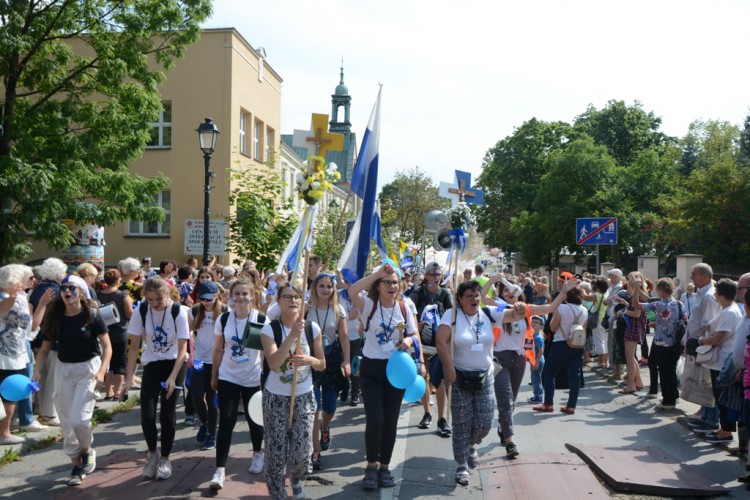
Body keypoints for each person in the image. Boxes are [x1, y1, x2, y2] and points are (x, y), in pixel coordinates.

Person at [481, 273, 577, 455]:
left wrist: (563, 292)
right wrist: (493, 281)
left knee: (512, 400)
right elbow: (483, 298)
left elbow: (550, 307)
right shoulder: (498, 306)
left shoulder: (527, 309)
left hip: (518, 359)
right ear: (502, 293)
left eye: (512, 290)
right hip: (499, 359)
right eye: (505, 290)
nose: (509, 293)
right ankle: (510, 441)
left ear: (519, 292)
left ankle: (503, 427)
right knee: (505, 398)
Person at [348, 262, 422, 491]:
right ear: (378, 286)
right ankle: (370, 465)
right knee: (376, 419)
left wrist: (407, 342)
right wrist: (379, 272)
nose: (391, 286)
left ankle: (384, 466)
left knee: (390, 421)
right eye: (387, 282)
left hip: (397, 369)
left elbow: (415, 334)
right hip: (371, 370)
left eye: (395, 282)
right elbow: (352, 291)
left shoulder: (404, 307)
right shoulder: (368, 304)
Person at [33, 276, 112, 485]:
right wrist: (36, 372)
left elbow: (108, 347)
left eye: (72, 288)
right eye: (64, 288)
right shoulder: (56, 316)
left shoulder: (92, 315)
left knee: (79, 419)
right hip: (64, 369)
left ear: (82, 292)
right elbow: (44, 349)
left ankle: (87, 450)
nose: (67, 291)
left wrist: (102, 372)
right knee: (67, 420)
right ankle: (76, 466)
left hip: (88, 368)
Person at [120, 277, 189, 480]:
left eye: (158, 299)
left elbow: (183, 347)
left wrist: (173, 377)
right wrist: (128, 378)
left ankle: (166, 458)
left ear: (166, 294)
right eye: (150, 299)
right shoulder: (141, 311)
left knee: (167, 414)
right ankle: (152, 454)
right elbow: (133, 348)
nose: (154, 304)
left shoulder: (178, 311)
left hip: (174, 363)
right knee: (147, 413)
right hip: (152, 363)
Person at [261, 284, 325, 500]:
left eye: (297, 297)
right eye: (287, 297)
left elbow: (322, 364)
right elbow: (274, 364)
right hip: (276, 397)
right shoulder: (269, 330)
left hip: (305, 396)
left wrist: (309, 360)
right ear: (278, 301)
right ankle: (277, 494)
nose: (293, 301)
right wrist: (291, 336)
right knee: (276, 453)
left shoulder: (312, 328)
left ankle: (297, 481)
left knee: (301, 454)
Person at [207, 278, 267, 490]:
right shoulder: (223, 319)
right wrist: (214, 375)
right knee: (227, 420)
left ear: (252, 296)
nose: (241, 297)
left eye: (245, 294)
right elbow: (217, 350)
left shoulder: (261, 318)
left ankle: (258, 453)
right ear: (231, 296)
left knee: (254, 420)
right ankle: (220, 469)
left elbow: (266, 351)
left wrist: (264, 378)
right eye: (237, 294)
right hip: (228, 376)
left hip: (252, 378)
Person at [436, 280, 495, 486]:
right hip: (459, 377)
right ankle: (461, 464)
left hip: (485, 376)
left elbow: (516, 313)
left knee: (485, 422)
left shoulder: (488, 314)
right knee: (462, 423)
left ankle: (471, 445)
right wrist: (449, 367)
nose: (474, 299)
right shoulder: (451, 315)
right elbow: (441, 341)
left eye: (476, 295)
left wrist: (520, 307)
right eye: (469, 295)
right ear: (460, 299)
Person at [0, 265, 53, 444]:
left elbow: (31, 328)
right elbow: (29, 326)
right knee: (9, 394)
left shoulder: (20, 298)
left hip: (18, 352)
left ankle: (23, 421)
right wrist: (40, 304)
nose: (34, 280)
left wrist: (39, 304)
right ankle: (6, 433)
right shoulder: (9, 298)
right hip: (7, 355)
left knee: (21, 388)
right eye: (30, 277)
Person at [308, 273, 349, 471]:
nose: (325, 289)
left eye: (329, 286)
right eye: (322, 286)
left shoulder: (338, 309)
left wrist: (347, 361)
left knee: (330, 408)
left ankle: (325, 427)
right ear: (315, 288)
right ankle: (315, 449)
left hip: (332, 362)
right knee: (313, 406)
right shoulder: (306, 309)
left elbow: (344, 337)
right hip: (312, 360)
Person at [410, 261, 452, 435]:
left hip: (439, 344)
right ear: (425, 276)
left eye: (438, 274)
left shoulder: (445, 294)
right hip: (422, 344)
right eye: (432, 274)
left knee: (440, 380)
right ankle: (427, 413)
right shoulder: (417, 294)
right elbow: (407, 312)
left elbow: (452, 316)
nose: (436, 277)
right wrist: (414, 324)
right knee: (423, 377)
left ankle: (442, 418)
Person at [697, 278, 742, 443]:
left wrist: (701, 341)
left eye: (716, 293)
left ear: (722, 294)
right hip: (720, 360)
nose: (714, 296)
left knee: (722, 397)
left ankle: (726, 432)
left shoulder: (730, 312)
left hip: (722, 361)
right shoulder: (728, 309)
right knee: (719, 396)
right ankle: (723, 428)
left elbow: (717, 338)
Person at [535, 282, 587, 415]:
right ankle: (571, 406)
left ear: (566, 296)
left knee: (549, 372)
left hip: (560, 343)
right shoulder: (584, 310)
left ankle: (548, 403)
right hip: (577, 344)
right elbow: (584, 329)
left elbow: (553, 328)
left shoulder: (561, 308)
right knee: (574, 375)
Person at [637, 278, 687, 410]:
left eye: (658, 290)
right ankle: (673, 397)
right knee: (672, 370)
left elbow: (637, 305)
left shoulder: (658, 305)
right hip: (675, 342)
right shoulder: (678, 304)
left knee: (664, 372)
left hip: (661, 342)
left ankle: (667, 401)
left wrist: (636, 288)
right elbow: (682, 320)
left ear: (662, 290)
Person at [190, 281, 225, 452]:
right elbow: (186, 331)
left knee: (212, 400)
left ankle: (212, 434)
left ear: (217, 294)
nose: (206, 301)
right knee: (196, 394)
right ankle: (204, 423)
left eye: (209, 298)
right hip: (199, 360)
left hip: (217, 361)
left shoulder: (225, 312)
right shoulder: (195, 310)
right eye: (203, 298)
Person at [98, 269, 133, 400]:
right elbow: (129, 314)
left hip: (102, 333)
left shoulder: (97, 295)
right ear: (118, 280)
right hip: (120, 332)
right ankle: (117, 391)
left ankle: (108, 391)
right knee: (119, 363)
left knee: (106, 363)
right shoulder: (123, 296)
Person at [617, 272, 649, 395]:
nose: (628, 280)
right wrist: (625, 304)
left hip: (635, 326)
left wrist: (623, 311)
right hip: (635, 326)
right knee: (631, 356)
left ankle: (631, 384)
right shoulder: (638, 292)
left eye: (631, 278)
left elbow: (636, 314)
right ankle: (638, 382)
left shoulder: (639, 293)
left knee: (629, 357)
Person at [527, 316, 546, 404]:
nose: (533, 323)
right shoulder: (532, 335)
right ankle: (537, 395)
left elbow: (541, 351)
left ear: (541, 326)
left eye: (536, 322)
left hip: (537, 361)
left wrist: (536, 363)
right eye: (532, 321)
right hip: (534, 361)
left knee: (536, 379)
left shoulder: (538, 337)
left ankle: (538, 397)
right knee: (534, 378)